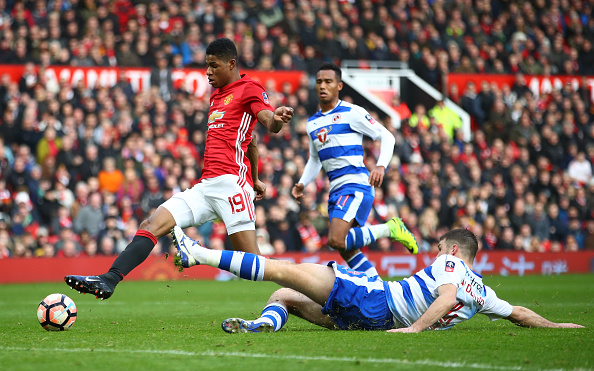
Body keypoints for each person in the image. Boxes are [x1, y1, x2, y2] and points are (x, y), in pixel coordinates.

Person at [65, 38, 294, 299]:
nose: (208, 71)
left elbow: (267, 121)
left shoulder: (249, 87)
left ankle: (308, 286)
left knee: (254, 266)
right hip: (206, 186)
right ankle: (109, 279)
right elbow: (248, 139)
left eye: (213, 65)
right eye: (206, 65)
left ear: (231, 64)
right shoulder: (217, 94)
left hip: (231, 185)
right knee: (151, 224)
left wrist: (276, 119)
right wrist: (256, 178)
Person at [171, 227, 583, 333]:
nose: (437, 254)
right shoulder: (485, 293)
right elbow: (518, 314)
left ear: (454, 251)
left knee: (282, 268)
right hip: (371, 319)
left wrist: (415, 331)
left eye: (440, 248)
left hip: (376, 303)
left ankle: (198, 254)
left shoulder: (453, 270)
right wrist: (557, 326)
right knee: (285, 294)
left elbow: (445, 298)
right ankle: (261, 325)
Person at [291, 63, 417, 277]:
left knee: (336, 239)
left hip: (355, 184)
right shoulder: (312, 123)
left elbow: (387, 136)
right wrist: (302, 182)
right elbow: (315, 159)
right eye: (319, 81)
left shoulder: (352, 112)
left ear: (339, 86)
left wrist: (380, 165)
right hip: (336, 189)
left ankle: (391, 229)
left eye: (328, 82)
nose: (323, 86)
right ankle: (375, 286)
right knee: (345, 248)